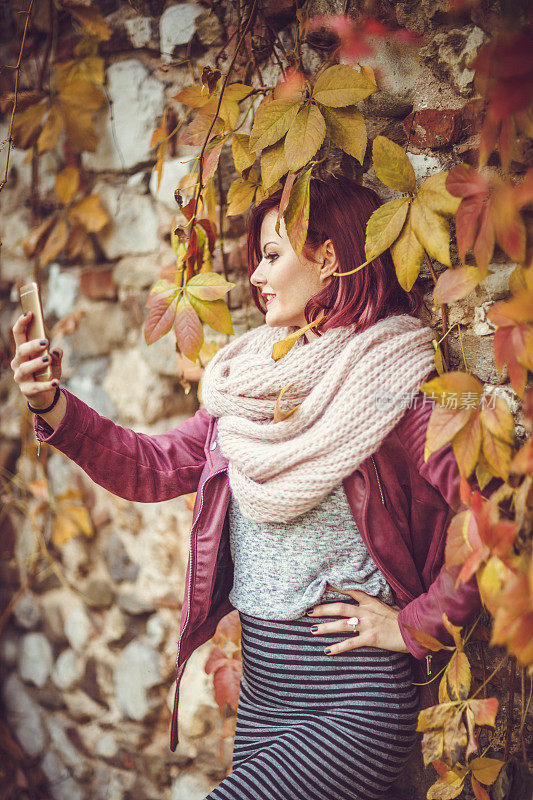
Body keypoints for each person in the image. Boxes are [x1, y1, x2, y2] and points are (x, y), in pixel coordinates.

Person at [11, 174, 490, 800]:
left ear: (330, 257)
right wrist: (51, 406)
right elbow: (154, 466)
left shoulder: (392, 389)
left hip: (352, 707)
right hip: (263, 705)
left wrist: (411, 624)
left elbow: (486, 522)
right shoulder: (249, 390)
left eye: (272, 255)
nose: (256, 277)